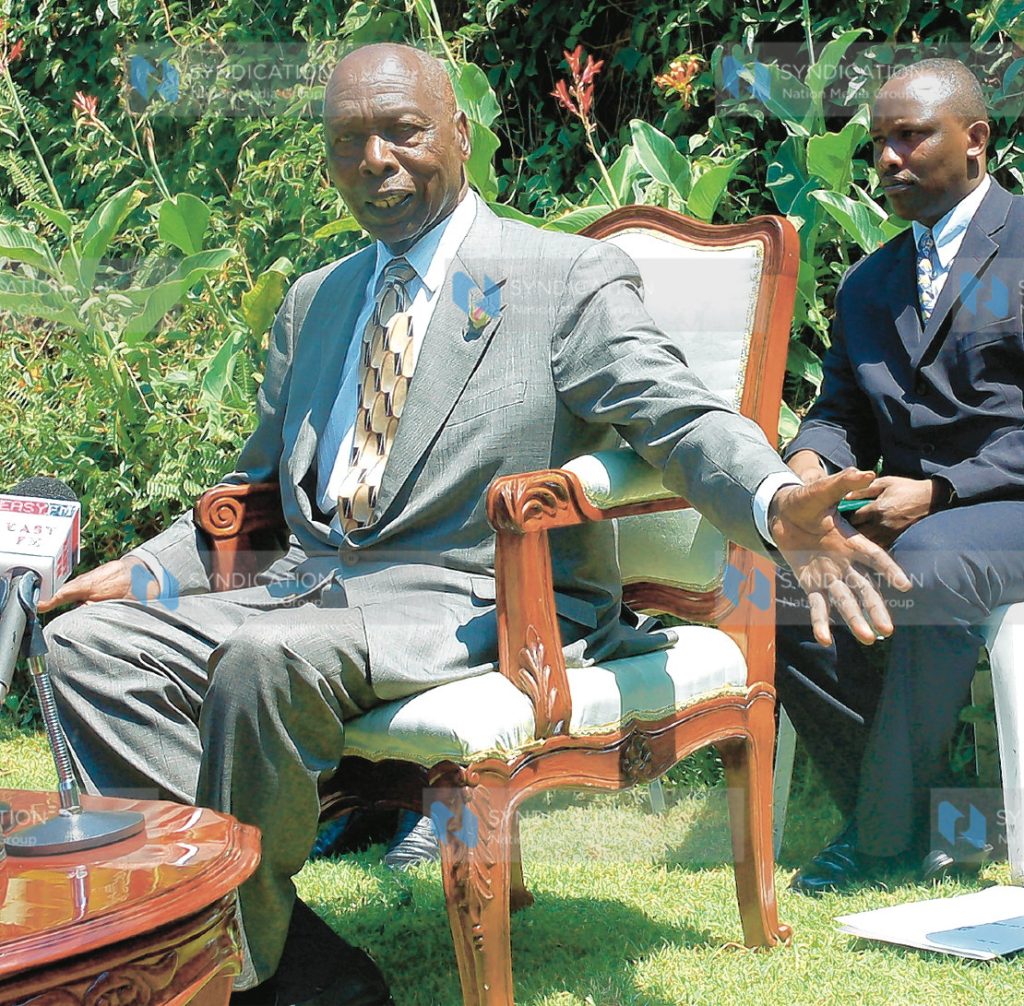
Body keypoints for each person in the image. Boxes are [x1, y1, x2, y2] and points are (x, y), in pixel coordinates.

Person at [41, 43, 905, 1005]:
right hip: (311, 589)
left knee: (265, 662)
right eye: (349, 140)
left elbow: (680, 417)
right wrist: (154, 573)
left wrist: (777, 504)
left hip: (479, 592)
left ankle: (237, 970)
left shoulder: (561, 277)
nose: (376, 159)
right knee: (85, 648)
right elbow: (259, 494)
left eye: (402, 131)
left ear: (460, 132)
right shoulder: (314, 302)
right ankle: (277, 952)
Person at [778, 58, 1024, 895]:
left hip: (1002, 507)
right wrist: (811, 466)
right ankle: (905, 810)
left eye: (911, 135)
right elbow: (838, 408)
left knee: (920, 571)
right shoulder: (870, 282)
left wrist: (942, 492)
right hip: (907, 512)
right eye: (879, 142)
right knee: (780, 580)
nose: (888, 158)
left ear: (976, 140)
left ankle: (876, 842)